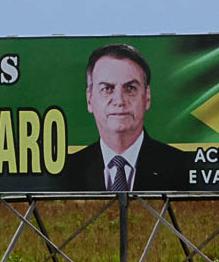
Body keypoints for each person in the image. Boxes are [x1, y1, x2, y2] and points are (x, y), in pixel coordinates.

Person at [62, 43, 191, 191]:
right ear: (89, 99)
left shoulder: (183, 167)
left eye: (130, 88)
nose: (119, 101)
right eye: (107, 89)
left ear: (147, 97)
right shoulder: (66, 173)